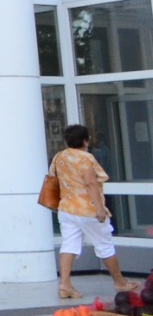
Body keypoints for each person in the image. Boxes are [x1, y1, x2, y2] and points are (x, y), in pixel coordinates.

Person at [51, 124, 138, 299]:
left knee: (69, 245)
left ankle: (64, 285)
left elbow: (53, 177)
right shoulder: (86, 158)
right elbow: (91, 183)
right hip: (88, 210)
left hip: (67, 209)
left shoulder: (59, 156)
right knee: (104, 245)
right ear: (85, 140)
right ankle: (120, 283)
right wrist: (100, 208)